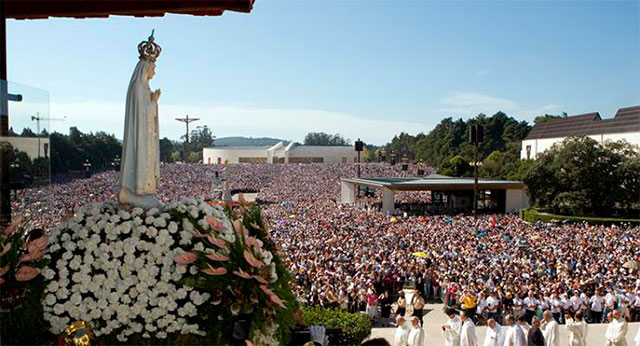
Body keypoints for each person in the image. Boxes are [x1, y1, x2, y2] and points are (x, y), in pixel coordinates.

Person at [119, 31, 162, 210]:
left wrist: (152, 100)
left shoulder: (144, 87)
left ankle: (142, 192)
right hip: (141, 134)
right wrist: (153, 101)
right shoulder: (138, 86)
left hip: (146, 133)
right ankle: (133, 193)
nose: (154, 72)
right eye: (153, 69)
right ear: (145, 68)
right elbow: (142, 113)